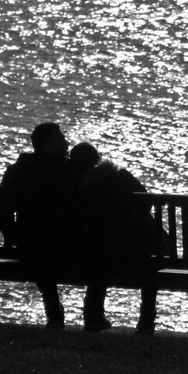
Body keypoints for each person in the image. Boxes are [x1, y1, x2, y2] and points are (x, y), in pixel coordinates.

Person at [0, 122, 106, 330]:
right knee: (103, 247)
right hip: (69, 247)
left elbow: (0, 212)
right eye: (60, 138)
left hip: (30, 246)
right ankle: (93, 313)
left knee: (39, 250)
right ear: (48, 145)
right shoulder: (69, 172)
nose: (66, 141)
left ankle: (53, 310)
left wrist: (15, 238)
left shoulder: (17, 171)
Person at [67, 141, 161, 332]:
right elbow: (145, 201)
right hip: (133, 250)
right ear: (98, 158)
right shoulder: (118, 174)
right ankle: (146, 319)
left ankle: (93, 315)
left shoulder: (73, 183)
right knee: (151, 260)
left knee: (100, 251)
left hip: (91, 251)